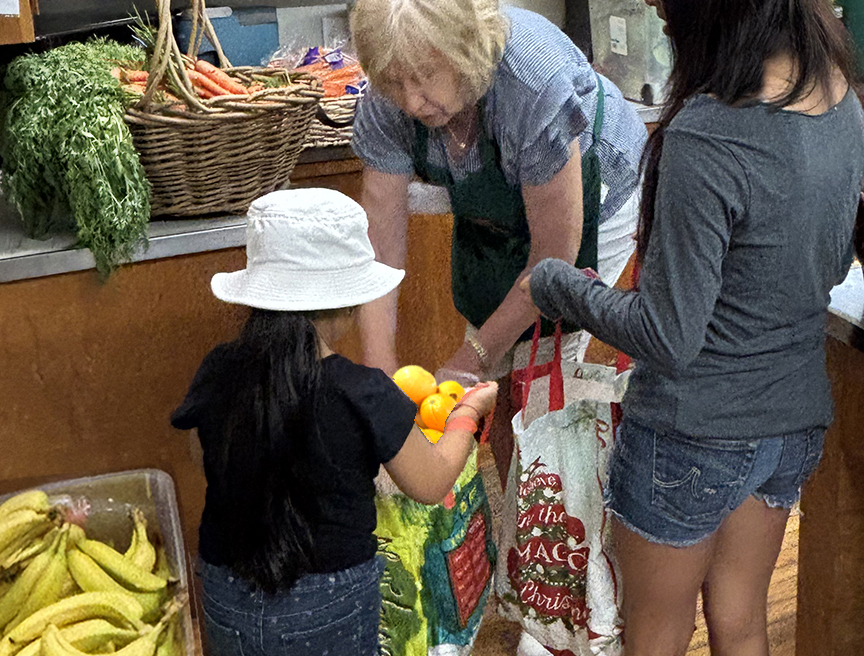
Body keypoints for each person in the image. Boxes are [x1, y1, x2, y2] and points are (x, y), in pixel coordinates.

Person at [523, 0, 864, 654]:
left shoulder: (709, 134)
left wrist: (559, 283)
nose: (655, 6)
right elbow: (832, 256)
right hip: (789, 423)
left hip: (691, 436)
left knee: (656, 633)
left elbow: (669, 336)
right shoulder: (841, 101)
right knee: (742, 623)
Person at [170, 189, 498, 656]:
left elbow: (200, 454)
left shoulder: (219, 367)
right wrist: (466, 413)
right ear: (348, 303)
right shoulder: (361, 390)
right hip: (329, 602)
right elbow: (430, 482)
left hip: (226, 590)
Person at [349, 0, 647, 385]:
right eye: (392, 82)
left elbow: (552, 261)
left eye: (424, 76)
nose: (409, 101)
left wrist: (468, 361)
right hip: (499, 217)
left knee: (535, 376)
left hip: (598, 193)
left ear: (464, 53)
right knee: (493, 375)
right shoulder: (387, 96)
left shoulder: (532, 84)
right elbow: (381, 254)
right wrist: (380, 378)